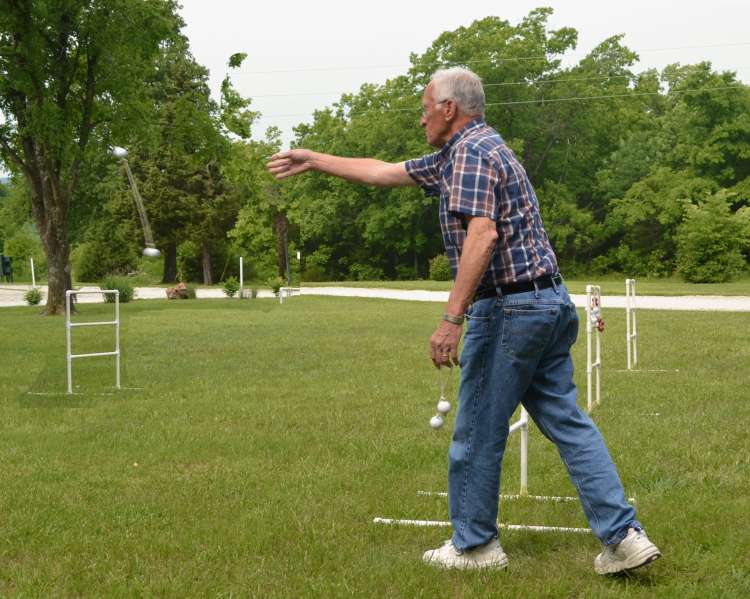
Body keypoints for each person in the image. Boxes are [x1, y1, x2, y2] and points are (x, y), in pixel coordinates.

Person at [267, 67, 661, 575]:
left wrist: (452, 317)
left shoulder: (470, 154)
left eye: (425, 107)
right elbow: (383, 172)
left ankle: (475, 546)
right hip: (548, 303)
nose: (421, 117)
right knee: (570, 425)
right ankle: (625, 537)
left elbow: (482, 235)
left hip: (510, 311)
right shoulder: (468, 152)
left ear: (449, 109)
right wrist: (314, 160)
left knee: (475, 431)